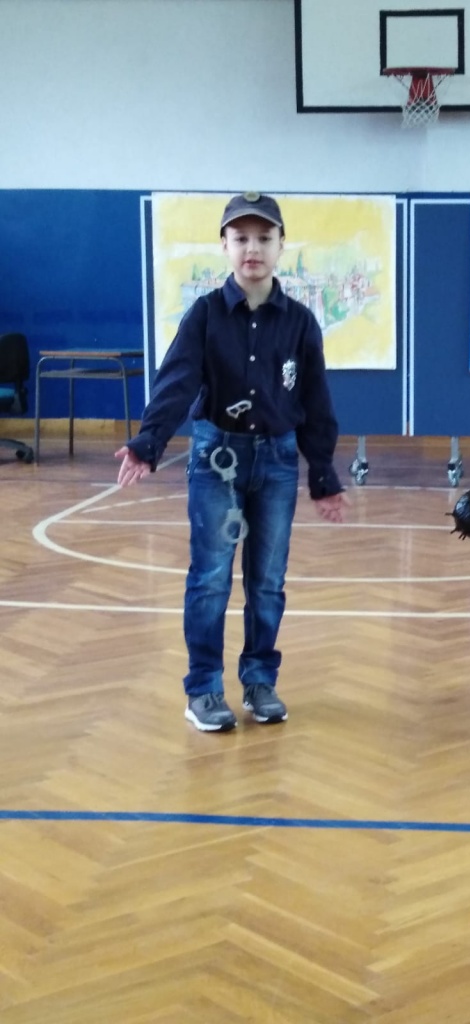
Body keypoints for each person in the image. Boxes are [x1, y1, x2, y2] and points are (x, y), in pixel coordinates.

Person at [116, 192, 348, 733]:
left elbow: (315, 401)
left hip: (277, 462)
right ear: (224, 245)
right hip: (216, 460)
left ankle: (260, 680)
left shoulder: (300, 323)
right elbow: (177, 382)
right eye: (241, 238)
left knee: (267, 580)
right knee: (211, 578)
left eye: (264, 238)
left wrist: (322, 473)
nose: (253, 249)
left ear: (282, 245)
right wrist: (149, 442)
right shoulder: (204, 316)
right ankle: (203, 689)